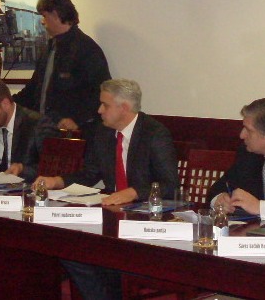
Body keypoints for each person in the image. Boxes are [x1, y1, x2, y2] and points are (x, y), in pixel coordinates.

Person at [34, 79, 178, 300]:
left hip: (145, 223)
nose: (99, 110)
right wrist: (57, 181)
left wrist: (133, 192)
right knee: (69, 251)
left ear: (124, 108)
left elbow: (169, 184)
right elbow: (90, 174)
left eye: (105, 105)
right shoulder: (103, 133)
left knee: (106, 262)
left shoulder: (155, 134)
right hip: (112, 218)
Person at [14, 0, 110, 139]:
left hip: (70, 135)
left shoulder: (87, 49)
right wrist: (7, 103)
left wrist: (77, 120)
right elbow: (33, 89)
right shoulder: (49, 48)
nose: (42, 21)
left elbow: (103, 92)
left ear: (56, 14)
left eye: (44, 16)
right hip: (42, 131)